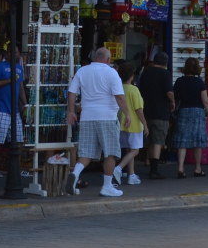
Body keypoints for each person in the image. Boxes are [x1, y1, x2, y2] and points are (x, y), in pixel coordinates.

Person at [66, 46, 128, 197]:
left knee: (86, 153)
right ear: (108, 59)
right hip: (107, 117)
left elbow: (71, 93)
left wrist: (71, 111)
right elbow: (119, 97)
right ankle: (107, 186)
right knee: (110, 153)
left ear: (95, 57)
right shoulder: (111, 72)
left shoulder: (82, 71)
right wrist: (127, 114)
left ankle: (75, 173)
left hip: (87, 117)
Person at [0, 44, 25, 175]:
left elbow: (21, 88)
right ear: (7, 54)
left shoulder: (19, 68)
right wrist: (9, 80)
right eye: (11, 52)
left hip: (15, 110)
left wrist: (25, 104)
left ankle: (15, 169)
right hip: (0, 108)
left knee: (18, 140)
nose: (14, 55)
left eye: (16, 52)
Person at [170, 57, 208, 178]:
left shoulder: (179, 81)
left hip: (183, 111)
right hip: (198, 112)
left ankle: (180, 168)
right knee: (197, 142)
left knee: (182, 141)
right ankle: (198, 168)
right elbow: (205, 101)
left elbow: (175, 98)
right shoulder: (199, 82)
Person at [138, 51, 173, 179]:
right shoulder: (165, 74)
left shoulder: (146, 72)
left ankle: (147, 161)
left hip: (146, 110)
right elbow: (169, 92)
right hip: (160, 111)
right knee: (158, 140)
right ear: (165, 62)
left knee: (149, 139)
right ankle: (154, 169)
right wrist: (173, 102)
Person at [116, 60, 147, 185]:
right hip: (134, 124)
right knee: (135, 150)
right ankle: (118, 168)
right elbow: (139, 109)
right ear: (132, 75)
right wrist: (145, 124)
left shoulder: (118, 88)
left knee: (129, 150)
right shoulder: (134, 90)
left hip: (120, 122)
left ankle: (131, 174)